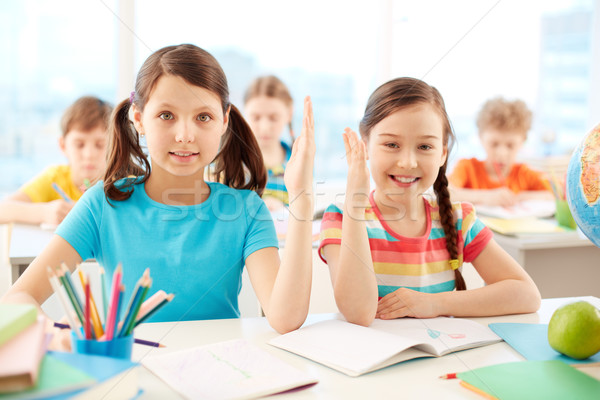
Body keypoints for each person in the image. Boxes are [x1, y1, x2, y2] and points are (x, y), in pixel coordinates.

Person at [2, 44, 316, 346]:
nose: (185, 135)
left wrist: (301, 196)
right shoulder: (103, 204)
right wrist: (57, 335)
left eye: (203, 117)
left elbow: (285, 318)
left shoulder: (246, 210)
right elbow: (19, 297)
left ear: (224, 121)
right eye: (166, 115)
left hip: (219, 374)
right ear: (138, 119)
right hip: (131, 371)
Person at [318, 78, 541, 327]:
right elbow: (358, 313)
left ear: (443, 153)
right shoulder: (341, 218)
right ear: (365, 144)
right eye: (392, 144)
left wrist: (433, 303)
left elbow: (527, 295)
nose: (408, 162)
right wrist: (355, 201)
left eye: (424, 146)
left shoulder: (459, 221)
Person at [0, 96, 112, 225]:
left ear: (114, 146)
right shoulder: (55, 178)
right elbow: (3, 210)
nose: (89, 155)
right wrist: (44, 212)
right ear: (63, 146)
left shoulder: (123, 185)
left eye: (100, 145)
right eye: (79, 145)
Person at [449, 97, 553, 207]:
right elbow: (445, 192)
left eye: (510, 145)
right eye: (494, 144)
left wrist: (521, 197)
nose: (501, 153)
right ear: (480, 138)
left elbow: (560, 193)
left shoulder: (524, 174)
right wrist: (486, 197)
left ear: (523, 141)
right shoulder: (467, 168)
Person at [243, 75, 294, 211]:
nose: (265, 127)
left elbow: (303, 211)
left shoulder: (298, 162)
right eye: (256, 118)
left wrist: (283, 209)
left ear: (289, 114)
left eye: (274, 118)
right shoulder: (230, 161)